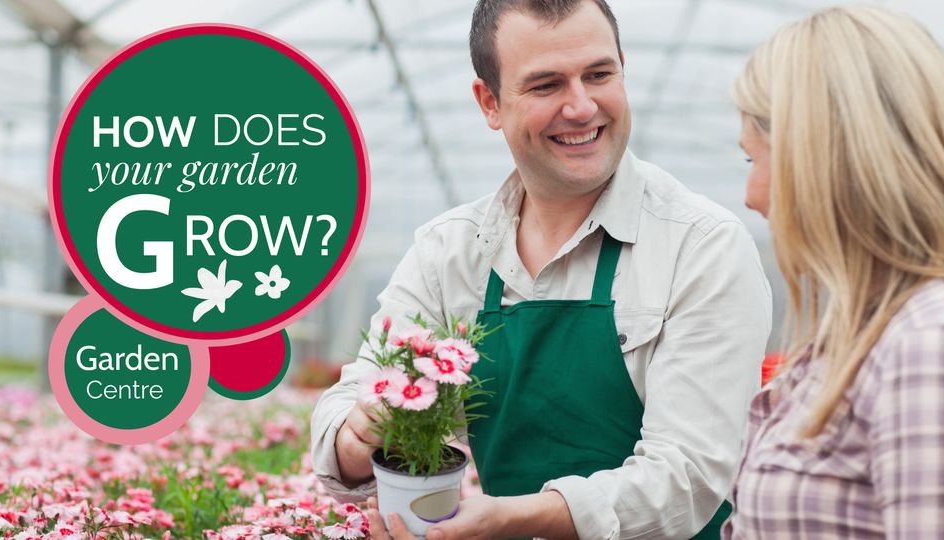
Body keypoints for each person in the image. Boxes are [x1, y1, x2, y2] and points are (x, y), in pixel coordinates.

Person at [311, 1, 772, 538]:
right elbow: (348, 405)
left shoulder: (700, 246)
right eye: (546, 85)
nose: (581, 107)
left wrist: (510, 518)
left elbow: (688, 477)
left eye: (599, 75)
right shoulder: (450, 253)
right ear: (490, 103)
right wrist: (358, 435)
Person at [726, 5, 944, 538]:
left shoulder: (937, 340)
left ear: (822, 163)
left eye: (754, 161)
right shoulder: (869, 331)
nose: (751, 195)